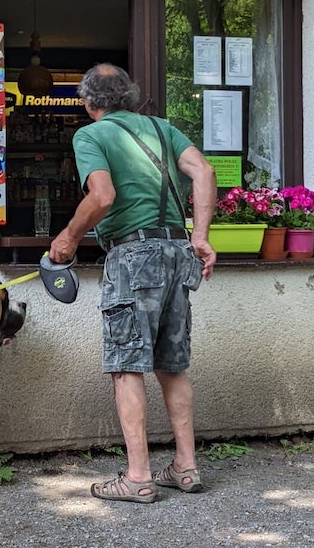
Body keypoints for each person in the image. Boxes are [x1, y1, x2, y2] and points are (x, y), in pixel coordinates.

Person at [49, 63, 217, 503]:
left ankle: (138, 475)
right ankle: (185, 466)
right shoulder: (163, 129)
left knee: (126, 365)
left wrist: (67, 239)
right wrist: (199, 236)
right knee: (172, 364)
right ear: (129, 96)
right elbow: (204, 172)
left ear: (88, 103)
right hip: (177, 252)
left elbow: (103, 196)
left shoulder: (91, 135)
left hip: (132, 255)